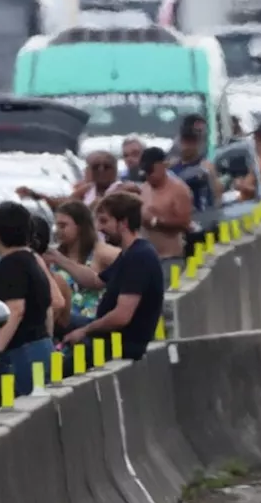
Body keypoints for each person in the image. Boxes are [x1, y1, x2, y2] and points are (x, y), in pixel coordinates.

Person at [63, 192, 165, 362]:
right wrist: (58, 259)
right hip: (108, 337)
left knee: (51, 373)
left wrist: (85, 331)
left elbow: (121, 316)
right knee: (63, 318)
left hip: (120, 345)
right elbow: (96, 281)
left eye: (104, 221)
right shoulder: (129, 253)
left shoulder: (139, 257)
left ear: (123, 223)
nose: (99, 229)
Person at [0, 201, 55, 397]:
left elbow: (15, 310)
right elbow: (48, 309)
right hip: (39, 347)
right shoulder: (32, 261)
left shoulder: (12, 266)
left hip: (21, 355)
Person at [43, 200, 119, 334]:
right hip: (61, 323)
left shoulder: (100, 252)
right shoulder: (54, 254)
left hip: (90, 324)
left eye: (63, 226)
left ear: (80, 226)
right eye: (56, 226)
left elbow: (132, 263)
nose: (58, 231)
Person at [137, 147, 193, 260]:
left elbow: (185, 223)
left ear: (162, 166)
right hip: (148, 257)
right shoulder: (143, 188)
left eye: (151, 171)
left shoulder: (179, 190)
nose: (148, 176)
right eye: (145, 172)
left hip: (171, 256)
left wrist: (155, 221)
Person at [18, 151, 124, 210]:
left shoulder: (123, 190)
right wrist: (34, 195)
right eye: (96, 167)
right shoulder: (87, 190)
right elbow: (64, 203)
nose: (101, 170)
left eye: (106, 167)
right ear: (88, 170)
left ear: (115, 170)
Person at [169, 115, 221, 212]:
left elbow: (217, 199)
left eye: (193, 140)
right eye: (186, 140)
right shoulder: (171, 168)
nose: (188, 145)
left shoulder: (207, 168)